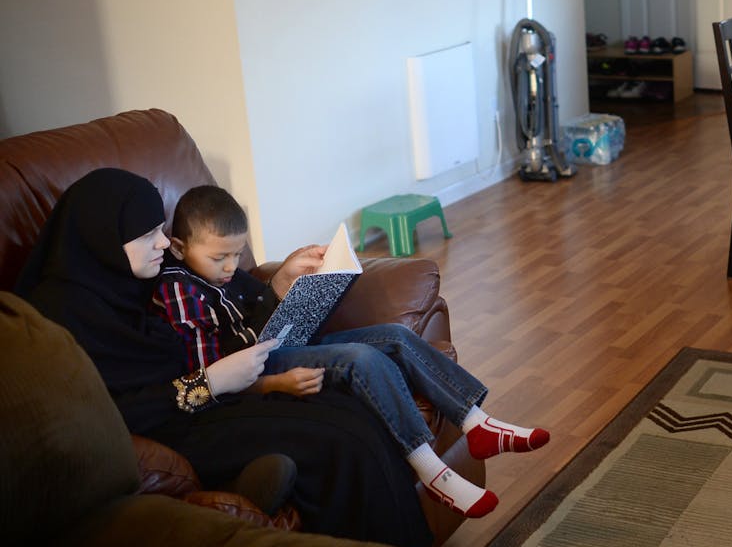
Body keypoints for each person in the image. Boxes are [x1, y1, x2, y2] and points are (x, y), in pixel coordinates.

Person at [150, 184, 549, 520]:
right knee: (360, 359)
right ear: (181, 249)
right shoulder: (180, 290)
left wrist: (288, 281)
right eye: (220, 258)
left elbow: (255, 299)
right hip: (252, 369)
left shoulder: (218, 271)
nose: (230, 267)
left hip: (274, 343)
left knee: (393, 334)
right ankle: (433, 472)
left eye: (237, 255)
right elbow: (210, 369)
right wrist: (274, 379)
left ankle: (477, 422)